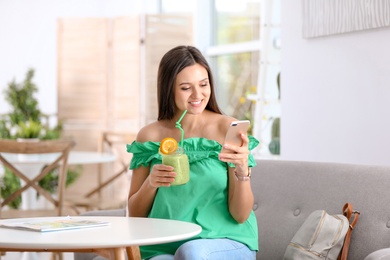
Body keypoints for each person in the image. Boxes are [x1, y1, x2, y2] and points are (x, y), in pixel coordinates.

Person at [127, 45, 259, 260]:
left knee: (192, 252)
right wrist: (151, 183)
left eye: (203, 84)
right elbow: (135, 214)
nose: (198, 95)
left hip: (226, 241)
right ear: (169, 88)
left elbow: (241, 215)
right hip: (165, 245)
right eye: (186, 87)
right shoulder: (150, 135)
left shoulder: (228, 129)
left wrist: (242, 170)